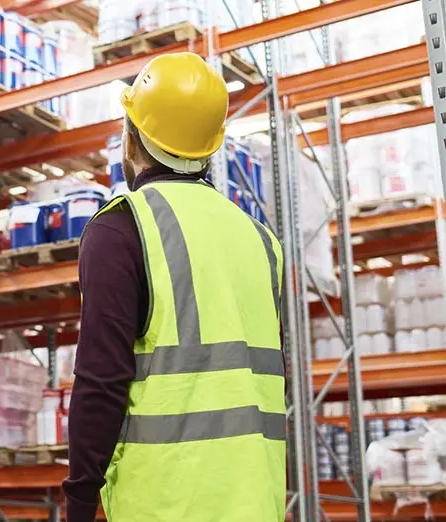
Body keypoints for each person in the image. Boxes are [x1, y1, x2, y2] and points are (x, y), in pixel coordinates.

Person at [63, 52, 286, 522]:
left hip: (165, 503)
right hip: (257, 500)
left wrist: (80, 500)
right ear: (211, 145)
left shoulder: (123, 229)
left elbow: (101, 381)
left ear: (132, 134)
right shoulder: (261, 240)